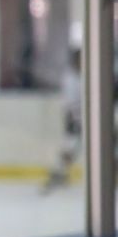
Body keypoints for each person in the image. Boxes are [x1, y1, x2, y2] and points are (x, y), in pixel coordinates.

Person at [42, 44, 82, 193]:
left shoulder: (81, 75)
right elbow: (71, 102)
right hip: (74, 117)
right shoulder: (70, 78)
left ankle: (60, 171)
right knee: (71, 146)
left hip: (80, 117)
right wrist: (77, 119)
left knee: (72, 147)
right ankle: (58, 172)